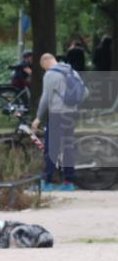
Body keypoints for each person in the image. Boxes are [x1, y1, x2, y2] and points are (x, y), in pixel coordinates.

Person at [32, 53, 79, 192]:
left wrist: (38, 117)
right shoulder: (72, 71)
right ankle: (69, 182)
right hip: (71, 114)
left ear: (45, 63)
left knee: (51, 148)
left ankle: (47, 182)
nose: (45, 70)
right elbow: (85, 92)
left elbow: (45, 98)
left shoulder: (50, 74)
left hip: (57, 114)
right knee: (67, 148)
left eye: (43, 68)